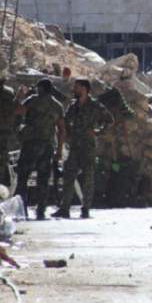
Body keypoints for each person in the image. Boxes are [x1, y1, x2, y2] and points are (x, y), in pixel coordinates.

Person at [54, 78, 114, 219]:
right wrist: (66, 135)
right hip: (75, 146)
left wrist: (98, 132)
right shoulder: (73, 106)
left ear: (85, 89)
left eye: (77, 87)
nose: (74, 89)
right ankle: (65, 208)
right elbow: (66, 121)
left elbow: (110, 121)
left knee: (88, 178)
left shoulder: (94, 105)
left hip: (88, 146)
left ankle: (85, 208)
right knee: (68, 176)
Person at [15, 78, 65, 220]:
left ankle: (22, 209)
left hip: (30, 144)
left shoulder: (32, 100)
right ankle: (41, 210)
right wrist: (59, 150)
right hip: (47, 146)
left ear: (40, 88)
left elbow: (18, 111)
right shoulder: (57, 105)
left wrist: (19, 96)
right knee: (43, 179)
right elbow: (62, 129)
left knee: (23, 176)